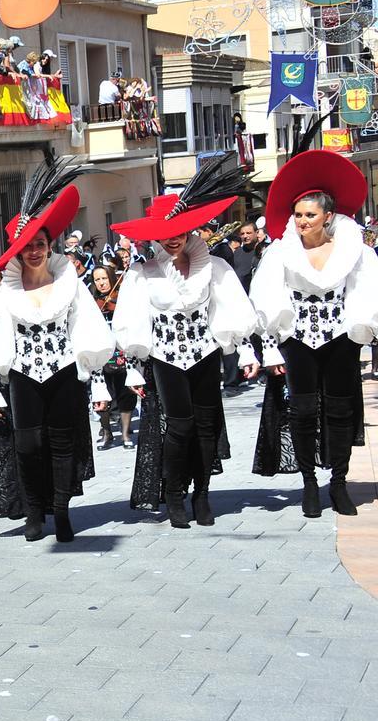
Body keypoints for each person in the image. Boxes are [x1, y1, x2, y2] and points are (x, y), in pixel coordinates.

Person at [111, 153, 260, 528]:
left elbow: (232, 308)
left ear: (191, 230)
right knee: (179, 426)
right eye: (167, 233)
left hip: (205, 353)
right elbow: (131, 321)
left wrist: (245, 350)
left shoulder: (215, 266)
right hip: (165, 357)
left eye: (180, 231)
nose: (174, 238)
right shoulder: (143, 273)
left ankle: (202, 494)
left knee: (207, 426)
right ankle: (175, 493)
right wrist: (134, 369)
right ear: (156, 236)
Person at [0, 157, 114, 543]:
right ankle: (34, 512)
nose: (34, 251)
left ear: (49, 244)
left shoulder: (70, 282)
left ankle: (62, 511)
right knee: (27, 444)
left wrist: (98, 381)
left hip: (64, 370)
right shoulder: (3, 290)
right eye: (27, 247)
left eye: (40, 244)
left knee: (62, 443)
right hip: (24, 374)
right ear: (18, 251)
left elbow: (87, 327)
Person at [250, 148, 378, 517]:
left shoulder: (353, 249)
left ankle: (338, 483)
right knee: (303, 411)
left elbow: (366, 290)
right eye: (298, 215)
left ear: (328, 216)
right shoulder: (280, 252)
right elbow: (266, 296)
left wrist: (360, 328)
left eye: (310, 214)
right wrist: (273, 346)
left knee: (340, 410)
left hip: (339, 338)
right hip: (299, 340)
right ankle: (308, 482)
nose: (303, 221)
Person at [89, 265, 135, 450]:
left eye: (104, 278)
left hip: (121, 351)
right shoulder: (92, 302)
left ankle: (125, 434)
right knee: (102, 393)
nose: (101, 283)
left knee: (125, 393)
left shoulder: (122, 299)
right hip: (101, 352)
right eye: (97, 280)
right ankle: (107, 432)